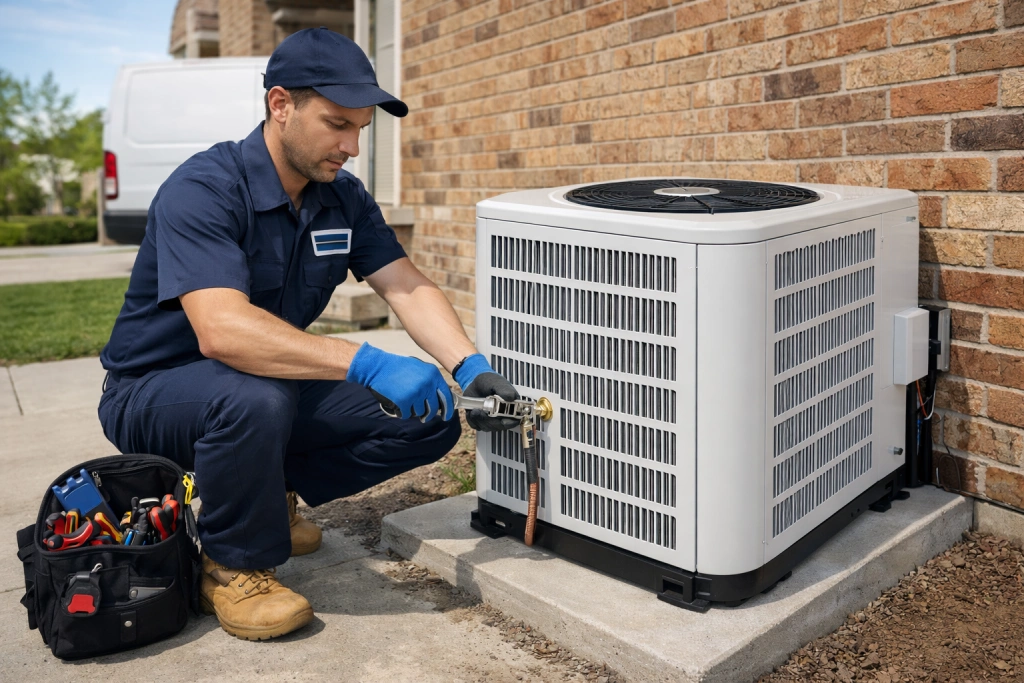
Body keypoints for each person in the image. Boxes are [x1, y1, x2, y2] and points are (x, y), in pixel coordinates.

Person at [98, 27, 519, 642]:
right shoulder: (205, 188)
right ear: (280, 105)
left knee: (426, 416)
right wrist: (367, 361)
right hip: (155, 391)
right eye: (336, 124)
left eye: (360, 130)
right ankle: (233, 564)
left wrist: (470, 367)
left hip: (257, 383)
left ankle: (262, 495)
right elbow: (222, 332)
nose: (351, 146)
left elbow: (403, 283)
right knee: (252, 397)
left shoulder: (341, 198)